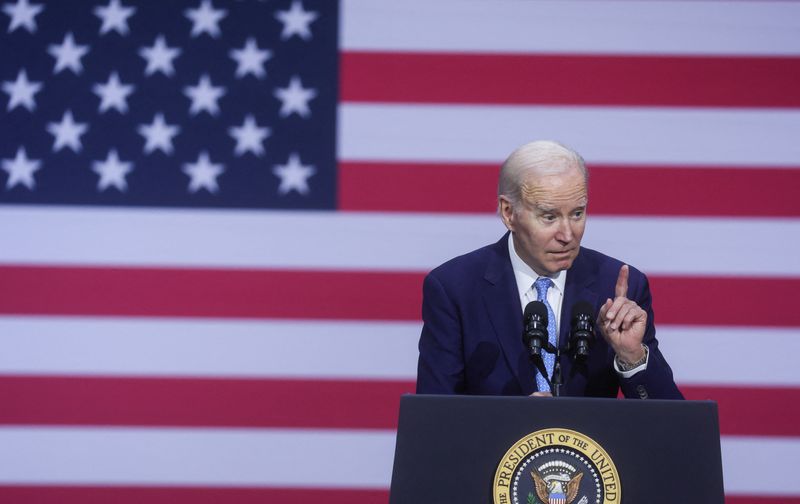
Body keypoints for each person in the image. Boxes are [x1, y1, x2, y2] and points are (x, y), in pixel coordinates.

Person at [416, 140, 683, 399]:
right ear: (508, 213)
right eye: (549, 216)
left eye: (577, 213)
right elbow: (433, 421)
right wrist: (513, 424)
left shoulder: (618, 287)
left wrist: (632, 356)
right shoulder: (455, 289)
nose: (568, 235)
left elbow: (672, 427)